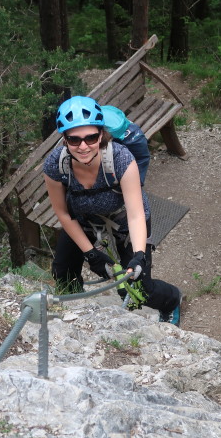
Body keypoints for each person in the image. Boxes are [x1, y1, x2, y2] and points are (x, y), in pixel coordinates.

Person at [42, 96, 182, 325]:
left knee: (138, 287)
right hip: (83, 220)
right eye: (74, 140)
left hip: (126, 221)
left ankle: (172, 300)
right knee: (63, 271)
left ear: (101, 134)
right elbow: (63, 214)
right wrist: (91, 254)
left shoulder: (120, 159)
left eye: (91, 137)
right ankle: (72, 314)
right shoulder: (56, 165)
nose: (83, 146)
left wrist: (139, 255)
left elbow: (136, 213)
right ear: (64, 140)